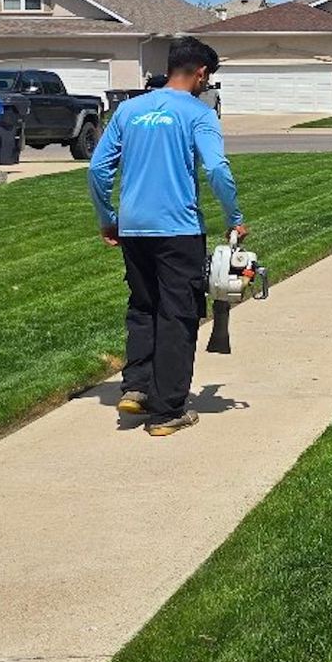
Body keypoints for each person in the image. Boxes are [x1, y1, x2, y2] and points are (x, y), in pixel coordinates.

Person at [89, 37, 247, 437]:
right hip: (178, 229)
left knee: (143, 306)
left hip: (134, 227)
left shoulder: (128, 109)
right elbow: (216, 169)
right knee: (178, 314)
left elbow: (98, 170)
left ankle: (138, 388)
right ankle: (167, 410)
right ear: (201, 73)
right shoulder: (198, 113)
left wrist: (108, 218)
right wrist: (235, 216)